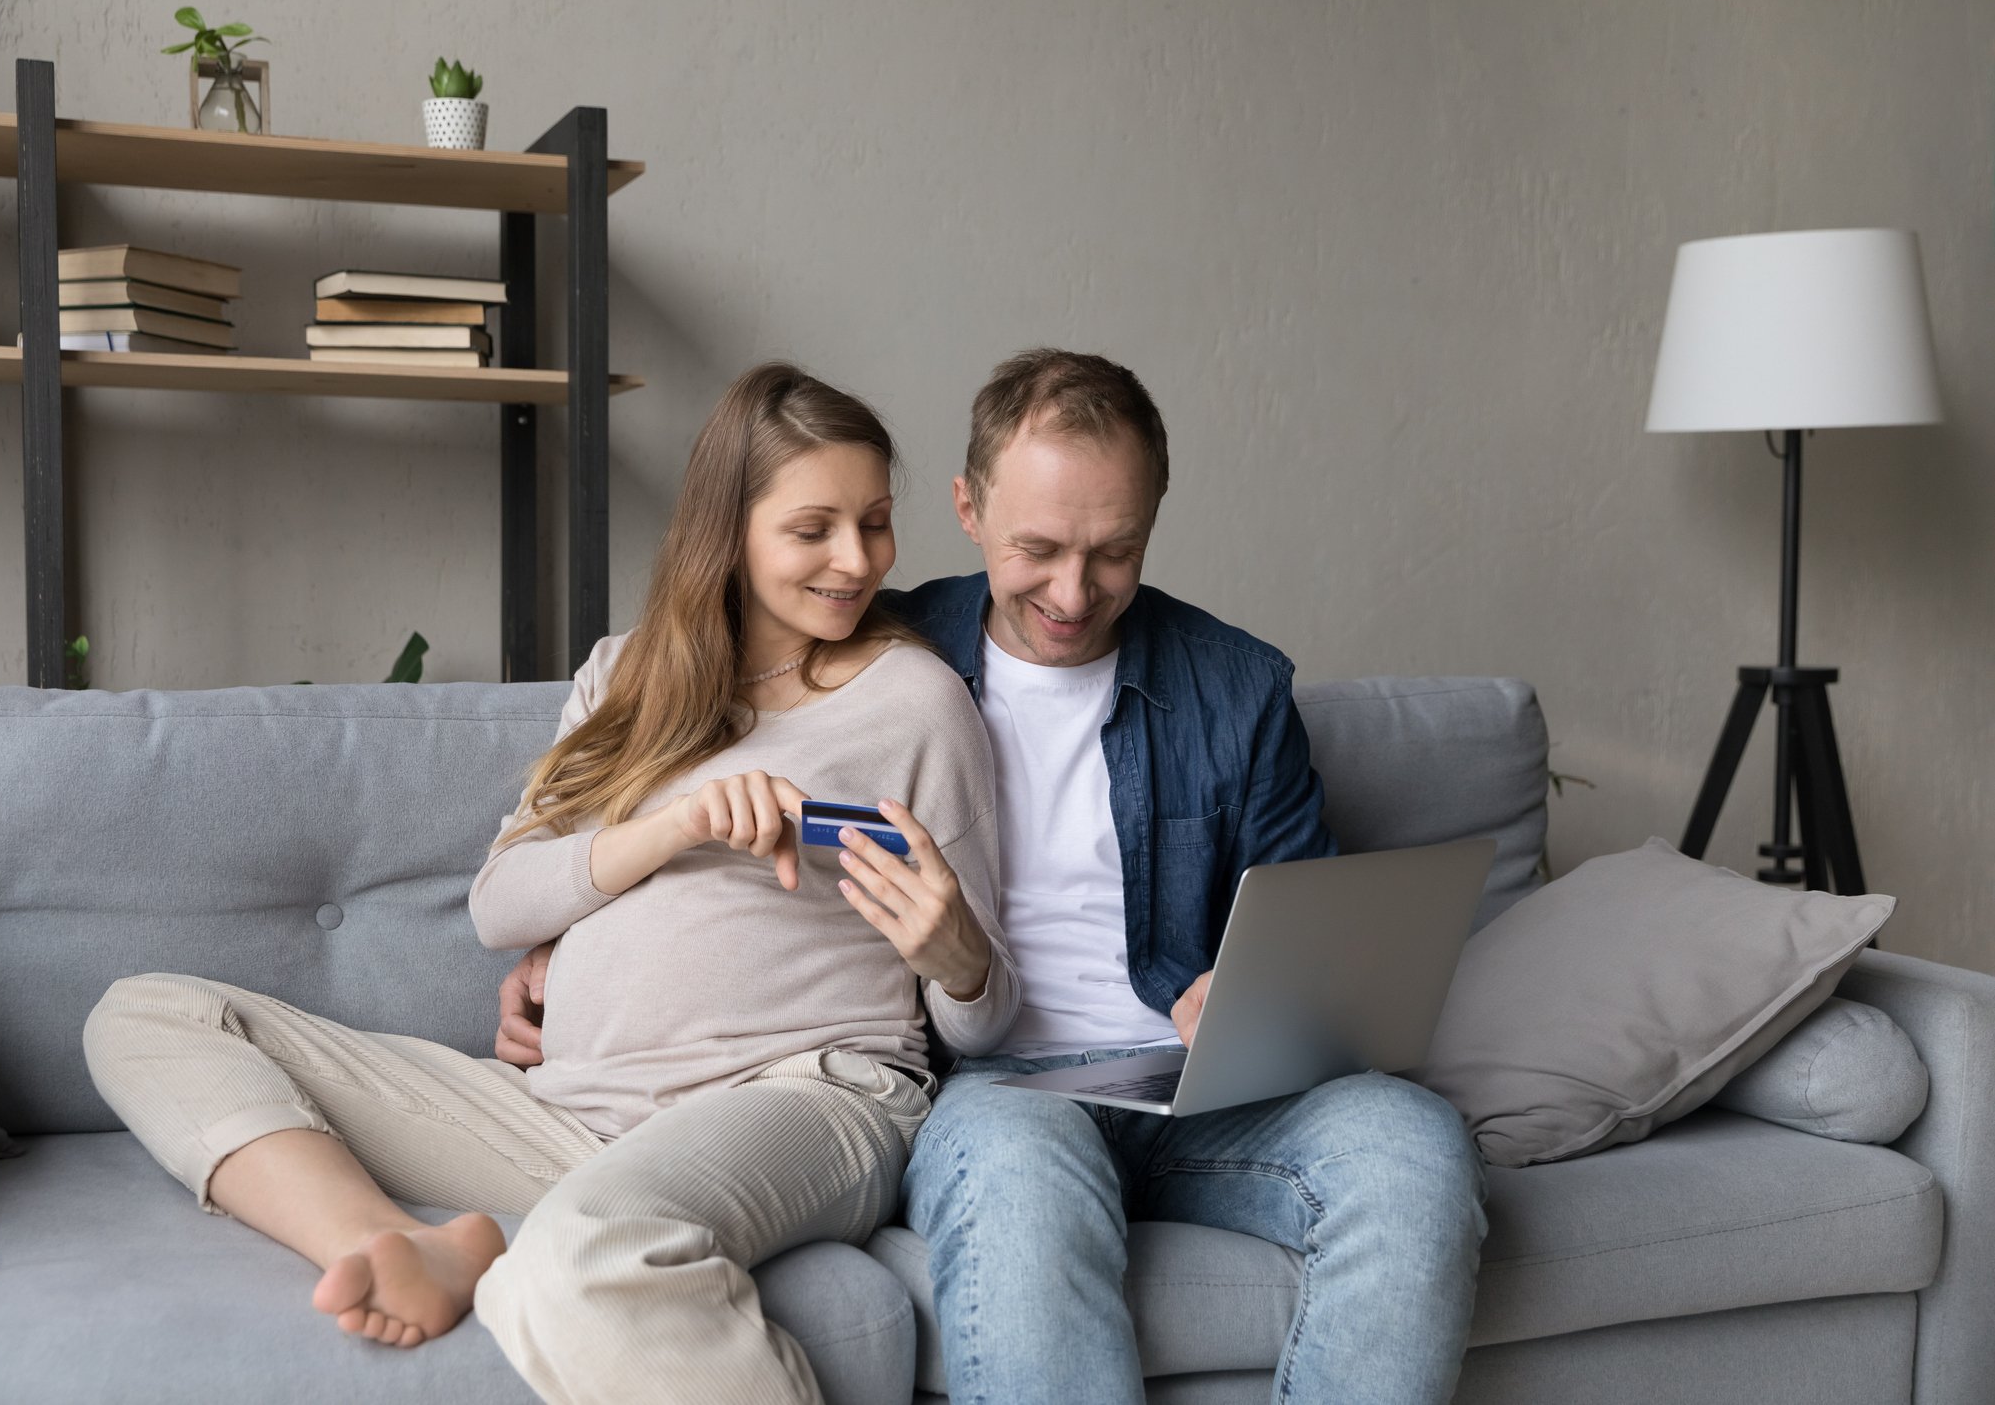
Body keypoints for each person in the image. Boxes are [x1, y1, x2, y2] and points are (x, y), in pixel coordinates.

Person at [498, 348, 1488, 1404]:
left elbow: (1318, 929)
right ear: (966, 508)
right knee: (1021, 1178)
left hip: (1198, 1086)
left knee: (1412, 1146)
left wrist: (1257, 1004)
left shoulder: (1237, 688)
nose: (1075, 591)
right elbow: (684, 795)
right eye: (1039, 549)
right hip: (994, 1086)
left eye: (1116, 551)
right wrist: (560, 948)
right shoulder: (872, 654)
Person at [82, 362, 1018, 1405]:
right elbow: (500, 905)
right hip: (569, 1113)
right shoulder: (625, 678)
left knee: (577, 1262)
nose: (857, 560)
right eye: (815, 529)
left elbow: (985, 1019)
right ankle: (395, 1240)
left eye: (877, 524)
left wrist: (960, 961)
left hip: (801, 1097)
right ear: (729, 530)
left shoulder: (917, 704)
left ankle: (513, 1246)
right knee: (153, 1012)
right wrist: (668, 828)